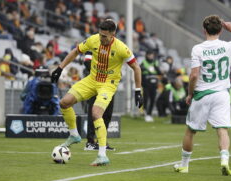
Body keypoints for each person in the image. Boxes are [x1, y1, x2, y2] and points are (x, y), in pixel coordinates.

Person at [51, 19, 143, 166]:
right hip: (92, 80)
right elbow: (76, 51)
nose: (101, 38)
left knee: (96, 113)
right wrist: (60, 68)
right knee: (64, 102)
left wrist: (138, 90)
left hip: (108, 84)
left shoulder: (121, 48)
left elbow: (136, 68)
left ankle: (102, 155)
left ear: (113, 34)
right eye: (100, 35)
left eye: (105, 36)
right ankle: (74, 135)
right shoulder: (93, 40)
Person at [173, 15, 231, 176]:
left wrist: (189, 94)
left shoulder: (198, 49)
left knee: (190, 131)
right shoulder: (227, 46)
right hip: (222, 94)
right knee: (222, 130)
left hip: (202, 94)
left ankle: (184, 165)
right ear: (221, 29)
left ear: (204, 30)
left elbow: (194, 76)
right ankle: (224, 160)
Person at [83, 52, 115, 151]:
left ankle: (102, 142)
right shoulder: (93, 44)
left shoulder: (115, 46)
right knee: (93, 113)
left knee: (107, 114)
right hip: (95, 83)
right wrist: (102, 71)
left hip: (109, 85)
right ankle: (90, 142)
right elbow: (87, 62)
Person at [141, 50, 161, 122]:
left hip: (154, 84)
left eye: (152, 55)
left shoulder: (155, 63)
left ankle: (149, 113)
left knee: (153, 99)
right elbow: (142, 71)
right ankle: (146, 113)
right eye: (149, 55)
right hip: (146, 84)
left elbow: (159, 72)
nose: (151, 56)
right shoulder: (144, 63)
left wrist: (156, 68)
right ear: (146, 55)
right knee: (146, 98)